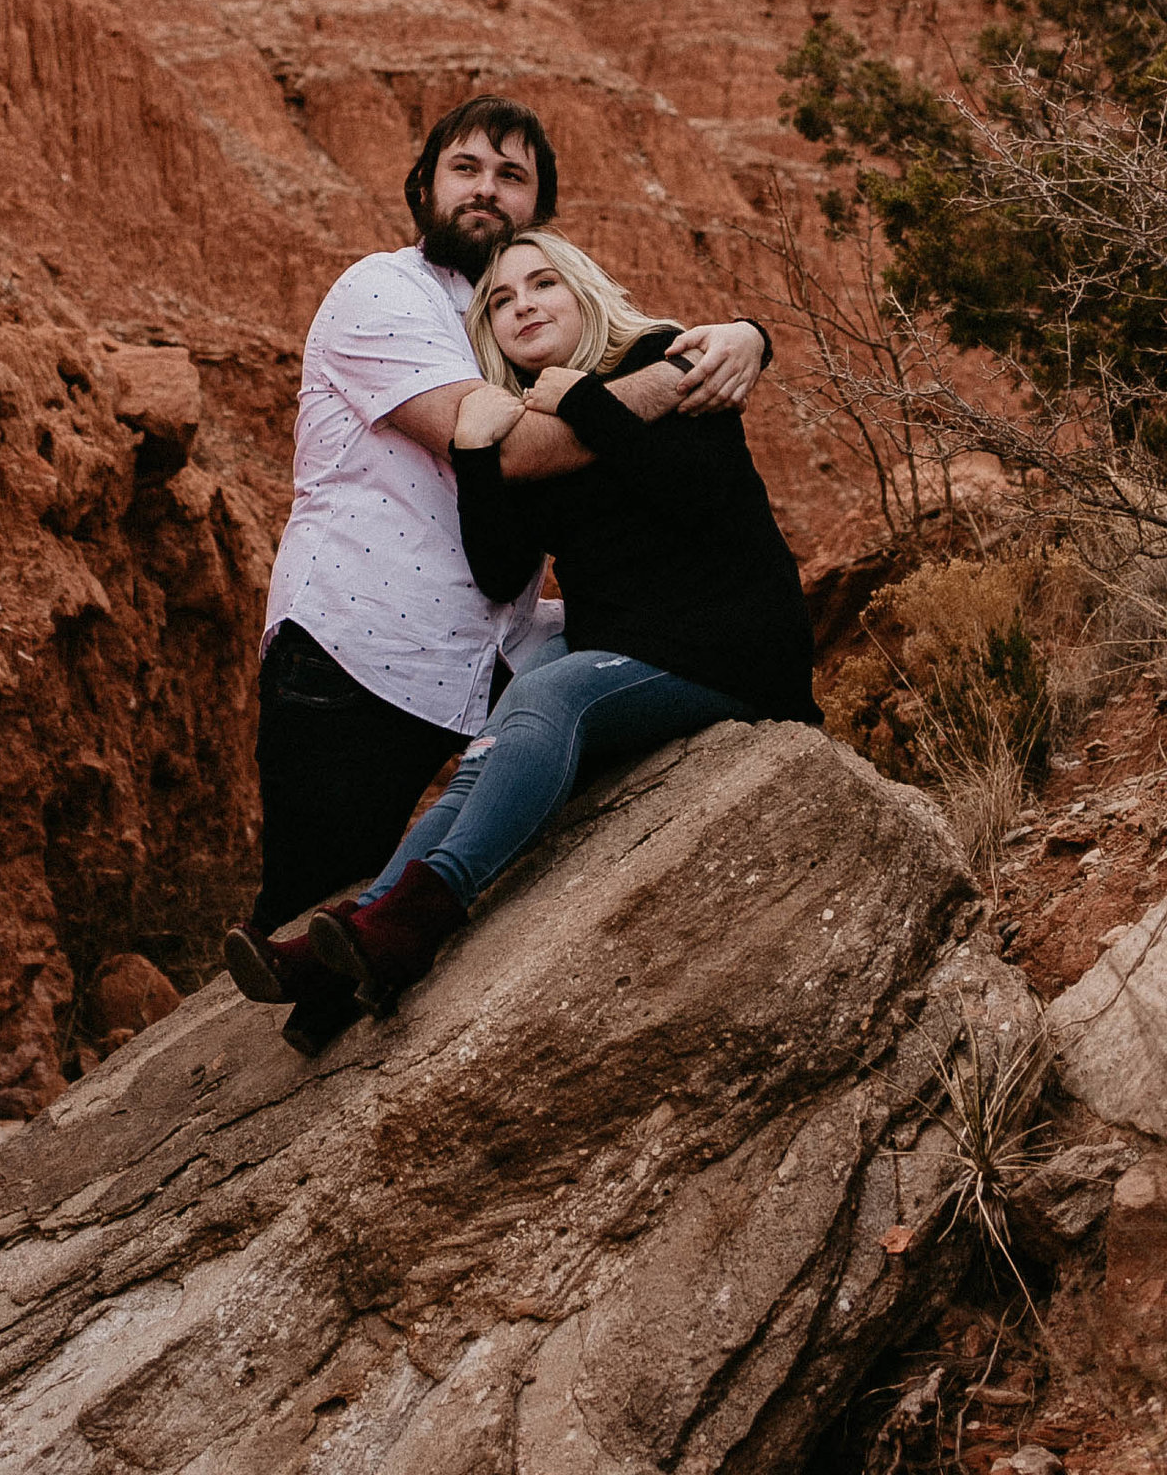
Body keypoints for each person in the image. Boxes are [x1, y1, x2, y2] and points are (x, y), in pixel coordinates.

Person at [224, 96, 769, 1045]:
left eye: (512, 177)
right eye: (466, 167)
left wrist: (748, 333)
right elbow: (515, 463)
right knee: (310, 896)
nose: (485, 190)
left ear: (540, 213)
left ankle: (372, 956)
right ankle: (285, 1052)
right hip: (360, 655)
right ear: (425, 186)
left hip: (485, 651)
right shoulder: (382, 294)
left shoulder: (528, 331)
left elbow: (635, 480)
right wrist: (670, 383)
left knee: (505, 754)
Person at [301, 227, 818, 1018]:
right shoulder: (525, 425)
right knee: (498, 736)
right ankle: (362, 929)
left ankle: (427, 909)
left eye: (542, 285)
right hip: (632, 641)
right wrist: (477, 456)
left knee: (555, 693)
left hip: (732, 642)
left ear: (582, 289)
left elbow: (692, 496)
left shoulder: (669, 360)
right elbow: (504, 572)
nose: (523, 306)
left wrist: (578, 397)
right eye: (501, 301)